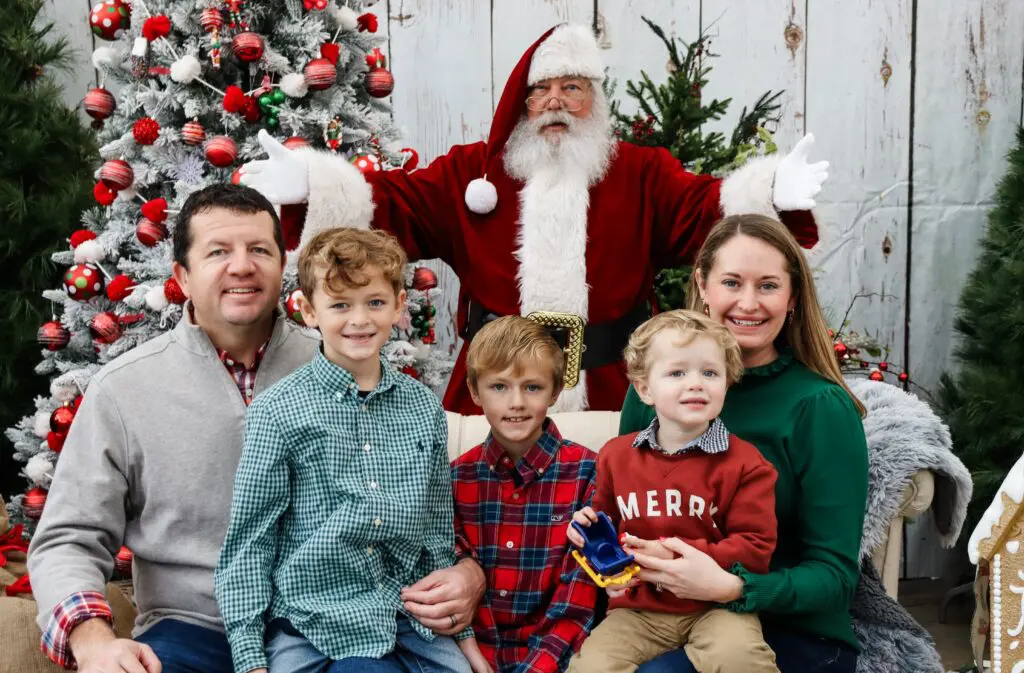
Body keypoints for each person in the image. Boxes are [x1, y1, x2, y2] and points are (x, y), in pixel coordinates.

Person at [239, 23, 828, 415]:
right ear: (520, 101)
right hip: (494, 386)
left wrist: (770, 194)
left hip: (617, 391)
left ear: (595, 100)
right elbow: (396, 206)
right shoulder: (473, 173)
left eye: (572, 88)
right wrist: (313, 188)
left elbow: (710, 216)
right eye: (540, 89)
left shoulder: (641, 173)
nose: (554, 102)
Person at [27, 184, 320, 673]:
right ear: (182, 276)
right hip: (190, 632)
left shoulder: (341, 372)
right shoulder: (124, 390)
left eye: (259, 250)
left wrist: (462, 571)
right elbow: (67, 539)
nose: (242, 266)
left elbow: (417, 503)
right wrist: (93, 641)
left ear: (282, 263)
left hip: (322, 628)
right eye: (218, 252)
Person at [215, 228, 481, 673]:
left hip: (409, 613)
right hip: (309, 617)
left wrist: (463, 633)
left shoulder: (423, 408)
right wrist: (250, 663)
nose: (359, 319)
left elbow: (437, 528)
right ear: (308, 310)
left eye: (374, 302)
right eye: (340, 305)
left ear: (399, 305)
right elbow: (249, 543)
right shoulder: (278, 411)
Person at [618, 214, 869, 673]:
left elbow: (835, 578)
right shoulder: (652, 392)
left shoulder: (819, 408)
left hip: (790, 632)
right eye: (731, 282)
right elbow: (622, 512)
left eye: (768, 285)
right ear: (702, 285)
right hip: (660, 616)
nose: (748, 303)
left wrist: (731, 587)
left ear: (792, 296)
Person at [562, 310, 780, 673]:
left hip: (717, 607)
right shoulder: (616, 456)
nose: (695, 384)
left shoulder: (746, 464)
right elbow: (606, 530)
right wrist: (590, 538)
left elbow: (756, 549)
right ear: (645, 389)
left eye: (709, 373)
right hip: (638, 612)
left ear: (727, 383)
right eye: (677, 373)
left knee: (741, 660)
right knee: (590, 670)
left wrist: (676, 553)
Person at [451, 315, 600, 673]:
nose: (516, 402)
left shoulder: (589, 473)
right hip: (472, 661)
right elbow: (452, 573)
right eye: (499, 386)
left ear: (554, 391)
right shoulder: (455, 478)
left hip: (559, 659)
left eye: (532, 387)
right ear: (474, 390)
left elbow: (577, 598)